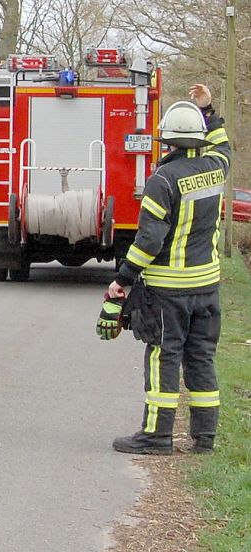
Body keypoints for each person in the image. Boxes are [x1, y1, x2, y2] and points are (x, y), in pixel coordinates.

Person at [101, 84, 230, 455]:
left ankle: (157, 436)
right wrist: (209, 110)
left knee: (164, 355)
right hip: (208, 288)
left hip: (168, 291)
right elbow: (223, 146)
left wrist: (121, 281)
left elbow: (149, 242)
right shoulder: (216, 169)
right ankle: (204, 439)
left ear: (168, 143)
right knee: (201, 357)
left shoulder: (163, 180)